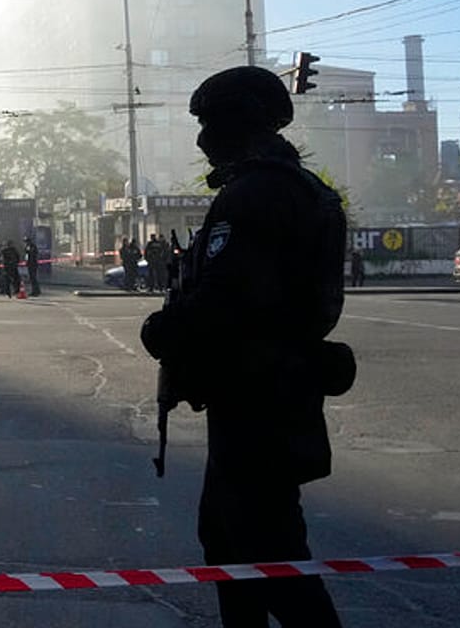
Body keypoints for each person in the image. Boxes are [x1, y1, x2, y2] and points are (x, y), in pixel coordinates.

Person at [139, 66, 349, 628]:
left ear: (241, 123)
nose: (203, 141)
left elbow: (227, 298)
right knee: (231, 543)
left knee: (265, 551)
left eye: (210, 124)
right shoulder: (307, 192)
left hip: (256, 395)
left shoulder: (254, 195)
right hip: (278, 389)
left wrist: (164, 330)